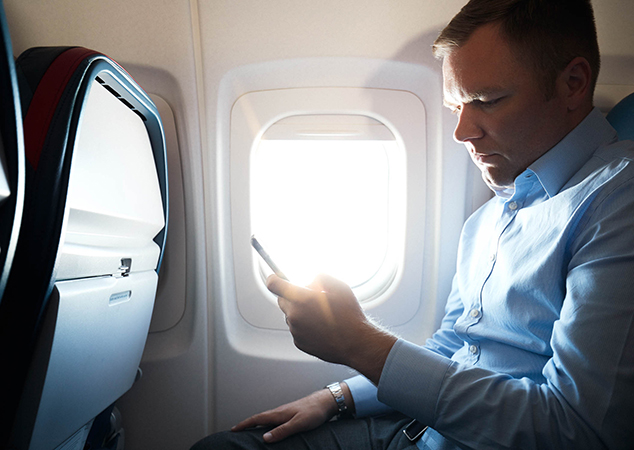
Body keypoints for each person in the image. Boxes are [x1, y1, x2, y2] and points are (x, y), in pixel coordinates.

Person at [193, 0, 634, 448]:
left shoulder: (618, 202)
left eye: (485, 100)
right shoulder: (488, 218)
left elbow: (576, 429)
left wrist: (359, 344)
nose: (462, 132)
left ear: (573, 84)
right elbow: (451, 349)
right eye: (455, 106)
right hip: (416, 429)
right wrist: (336, 397)